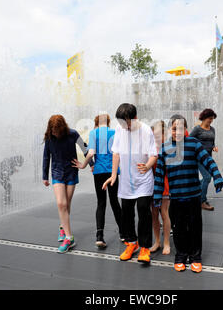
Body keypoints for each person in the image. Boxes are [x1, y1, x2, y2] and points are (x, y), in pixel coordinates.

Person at [154, 114, 223, 273]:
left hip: (193, 196)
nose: (177, 132)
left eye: (181, 128)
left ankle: (195, 256)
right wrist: (157, 196)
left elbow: (208, 160)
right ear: (170, 130)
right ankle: (180, 255)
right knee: (178, 228)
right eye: (174, 129)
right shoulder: (165, 149)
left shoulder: (194, 144)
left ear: (185, 129)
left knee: (195, 227)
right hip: (176, 197)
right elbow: (159, 175)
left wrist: (217, 177)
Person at [102, 103, 158, 264]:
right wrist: (113, 175)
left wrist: (147, 165)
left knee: (143, 210)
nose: (124, 126)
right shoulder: (120, 129)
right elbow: (116, 153)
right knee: (126, 213)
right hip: (126, 180)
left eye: (126, 122)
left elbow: (154, 154)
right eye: (120, 123)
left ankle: (145, 247)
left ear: (134, 118)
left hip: (143, 179)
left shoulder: (146, 130)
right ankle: (132, 243)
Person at [72, 114, 124, 248]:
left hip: (99, 172)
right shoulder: (114, 132)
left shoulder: (94, 133)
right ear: (108, 122)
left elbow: (90, 153)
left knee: (101, 202)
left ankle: (99, 236)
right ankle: (123, 233)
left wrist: (83, 165)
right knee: (114, 202)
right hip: (112, 172)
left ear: (96, 123)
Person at [42, 115, 91, 253]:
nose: (55, 133)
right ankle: (69, 238)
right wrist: (44, 176)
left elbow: (85, 148)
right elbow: (46, 156)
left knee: (67, 203)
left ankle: (62, 228)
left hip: (71, 172)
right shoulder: (49, 138)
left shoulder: (72, 134)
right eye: (53, 131)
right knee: (61, 204)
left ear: (63, 128)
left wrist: (88, 164)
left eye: (57, 131)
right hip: (57, 173)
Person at [189, 109, 218, 211]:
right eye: (209, 118)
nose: (211, 120)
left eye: (212, 119)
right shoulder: (197, 129)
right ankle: (202, 201)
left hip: (209, 157)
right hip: (199, 157)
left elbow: (212, 142)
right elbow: (189, 140)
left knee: (205, 178)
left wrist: (214, 147)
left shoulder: (213, 129)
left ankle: (196, 194)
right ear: (204, 118)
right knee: (207, 178)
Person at [150, 120, 171, 255]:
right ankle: (157, 241)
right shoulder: (151, 148)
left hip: (164, 185)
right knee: (154, 214)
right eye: (154, 135)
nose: (156, 138)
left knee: (164, 213)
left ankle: (167, 243)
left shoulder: (169, 148)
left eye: (158, 135)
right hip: (152, 185)